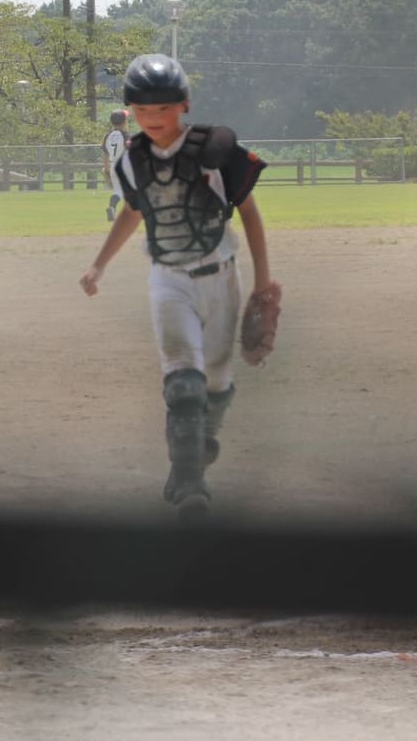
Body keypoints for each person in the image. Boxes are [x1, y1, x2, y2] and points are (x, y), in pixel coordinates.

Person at [79, 54, 271, 522]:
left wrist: (263, 285)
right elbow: (134, 211)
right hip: (168, 279)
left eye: (164, 108)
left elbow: (248, 212)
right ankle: (190, 485)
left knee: (218, 385)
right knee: (184, 384)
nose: (154, 118)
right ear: (131, 110)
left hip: (221, 275)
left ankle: (196, 445)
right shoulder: (130, 162)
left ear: (184, 105)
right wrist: (99, 265)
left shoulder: (216, 150)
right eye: (144, 110)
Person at [102, 108, 130, 222]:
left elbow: (105, 153)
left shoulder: (107, 136)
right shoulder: (125, 135)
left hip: (113, 166)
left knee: (118, 191)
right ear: (124, 122)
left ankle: (112, 207)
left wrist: (107, 168)